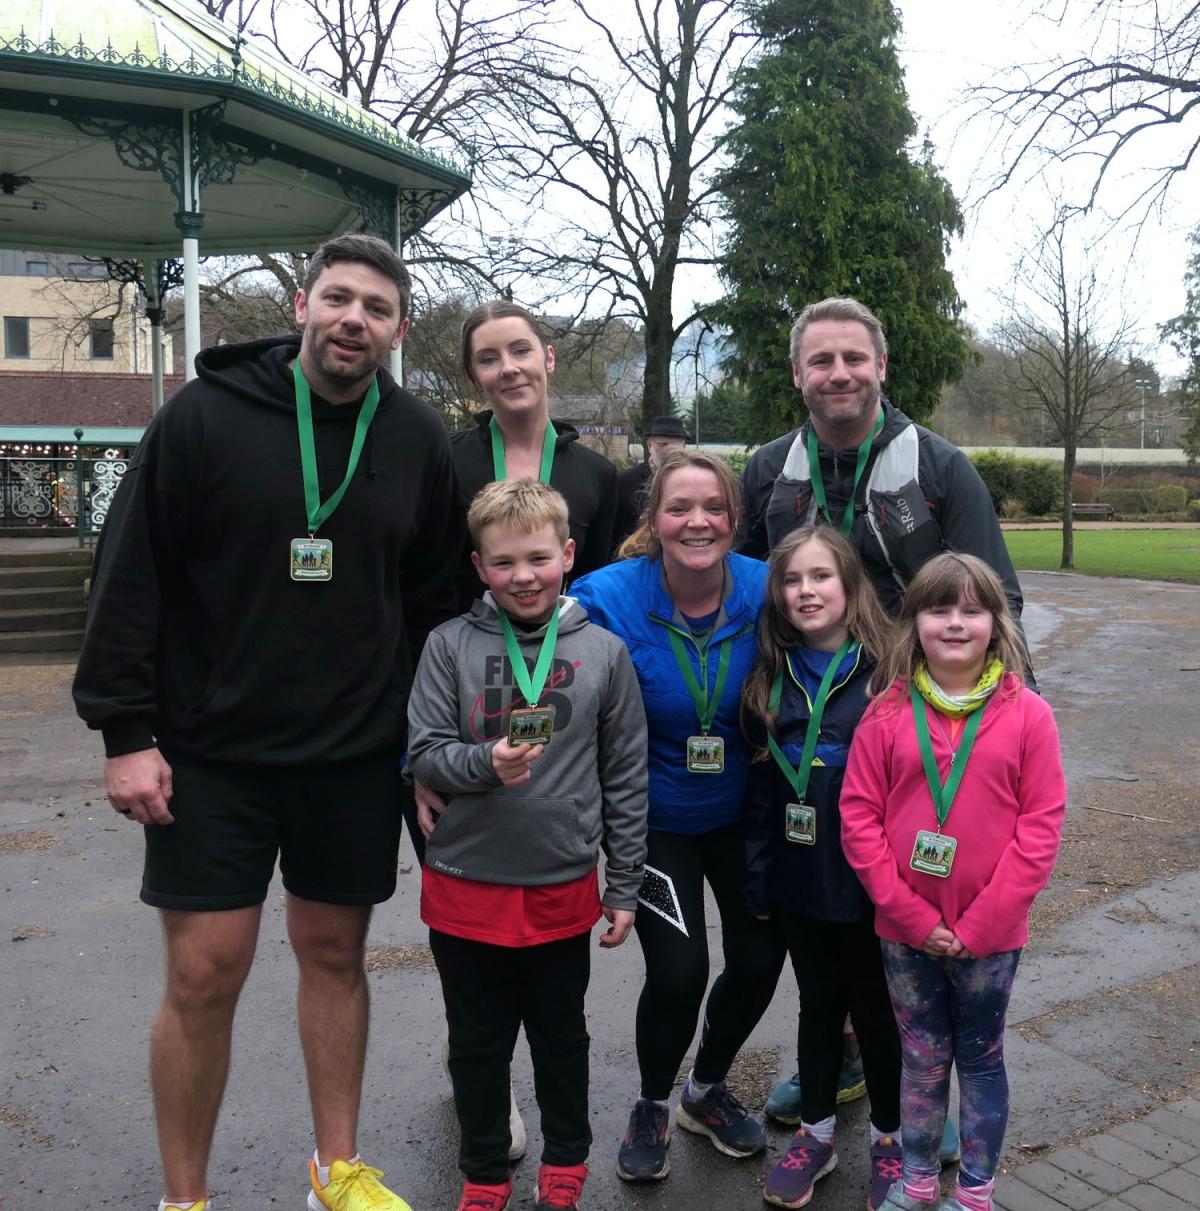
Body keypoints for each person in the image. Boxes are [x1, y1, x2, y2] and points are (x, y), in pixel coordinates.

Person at [72, 233, 467, 1211]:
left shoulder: (416, 437)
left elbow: (436, 611)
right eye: (339, 298)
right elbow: (129, 576)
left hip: (351, 756)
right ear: (301, 304)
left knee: (336, 956)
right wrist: (127, 732)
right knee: (206, 971)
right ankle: (185, 1195)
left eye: (376, 309)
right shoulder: (202, 419)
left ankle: (338, 1171)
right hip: (212, 755)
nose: (354, 320)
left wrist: (425, 745)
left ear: (399, 329)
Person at [739, 295, 1030, 1125]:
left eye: (853, 359)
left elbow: (998, 600)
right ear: (798, 373)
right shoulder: (767, 472)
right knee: (821, 911)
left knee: (912, 916)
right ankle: (842, 1065)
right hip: (808, 731)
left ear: (882, 366)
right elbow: (740, 602)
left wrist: (1006, 740)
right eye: (821, 360)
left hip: (915, 738)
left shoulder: (940, 470)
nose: (839, 373)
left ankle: (922, 1100)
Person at [407, 479, 647, 1211]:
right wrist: (485, 764)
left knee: (559, 1037)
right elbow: (424, 752)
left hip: (560, 880)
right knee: (476, 1043)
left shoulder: (604, 652)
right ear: (479, 566)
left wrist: (625, 882)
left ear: (568, 555)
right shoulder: (448, 645)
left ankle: (566, 1161)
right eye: (504, 562)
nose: (524, 575)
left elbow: (627, 774)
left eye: (538, 557)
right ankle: (484, 1169)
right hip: (466, 880)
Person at [571, 448, 778, 1183]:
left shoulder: (769, 587)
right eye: (679, 508)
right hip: (652, 820)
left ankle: (705, 1088)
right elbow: (527, 669)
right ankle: (653, 1101)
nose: (698, 521)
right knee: (681, 971)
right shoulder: (603, 596)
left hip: (744, 813)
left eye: (714, 508)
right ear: (653, 520)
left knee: (758, 961)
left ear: (735, 517)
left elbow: (846, 653)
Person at [840, 553, 1066, 1211]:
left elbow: (1040, 828)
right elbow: (859, 815)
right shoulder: (886, 712)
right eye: (940, 608)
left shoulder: (1030, 717)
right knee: (922, 1059)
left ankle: (973, 1191)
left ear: (998, 623)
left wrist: (979, 924)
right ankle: (915, 1184)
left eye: (973, 608)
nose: (956, 622)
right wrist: (911, 916)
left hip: (990, 939)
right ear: (915, 623)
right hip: (905, 933)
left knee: (982, 1059)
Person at [740, 526, 902, 1211]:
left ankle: (894, 1141)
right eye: (791, 580)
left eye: (820, 577)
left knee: (876, 1013)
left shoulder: (888, 671)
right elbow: (758, 792)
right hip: (801, 880)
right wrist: (758, 877)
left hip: (872, 885)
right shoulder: (770, 673)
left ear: (850, 585)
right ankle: (817, 1132)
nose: (805, 590)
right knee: (815, 1006)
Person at [452, 300, 618, 583]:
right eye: (488, 359)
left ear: (548, 358)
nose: (508, 368)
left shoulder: (598, 474)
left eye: (521, 351)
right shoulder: (445, 459)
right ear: (474, 377)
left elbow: (594, 587)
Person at [614, 413, 688, 545]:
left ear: (683, 447)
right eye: (663, 444)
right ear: (649, 445)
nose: (669, 451)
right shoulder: (625, 481)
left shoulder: (694, 481)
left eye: (675, 446)